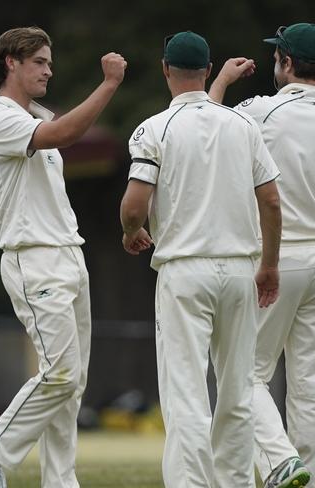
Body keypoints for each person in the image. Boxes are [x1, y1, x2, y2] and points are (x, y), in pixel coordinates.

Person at [0, 27, 126, 488]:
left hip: (69, 255)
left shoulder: (33, 117)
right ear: (11, 62)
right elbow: (66, 133)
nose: (49, 70)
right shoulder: (0, 121)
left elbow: (56, 131)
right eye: (40, 62)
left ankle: (60, 482)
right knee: (62, 373)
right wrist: (108, 84)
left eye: (49, 62)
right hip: (33, 260)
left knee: (70, 387)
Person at [209, 23, 315, 488]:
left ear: (285, 62)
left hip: (273, 259)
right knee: (310, 386)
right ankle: (305, 479)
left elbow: (206, 129)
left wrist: (220, 82)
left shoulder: (262, 110)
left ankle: (280, 462)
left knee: (244, 373)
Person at [120, 31, 282, 488]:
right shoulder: (243, 126)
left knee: (187, 395)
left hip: (184, 272)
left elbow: (134, 207)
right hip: (239, 271)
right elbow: (270, 201)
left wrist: (133, 232)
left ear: (165, 70)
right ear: (209, 70)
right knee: (236, 392)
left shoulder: (154, 129)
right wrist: (269, 264)